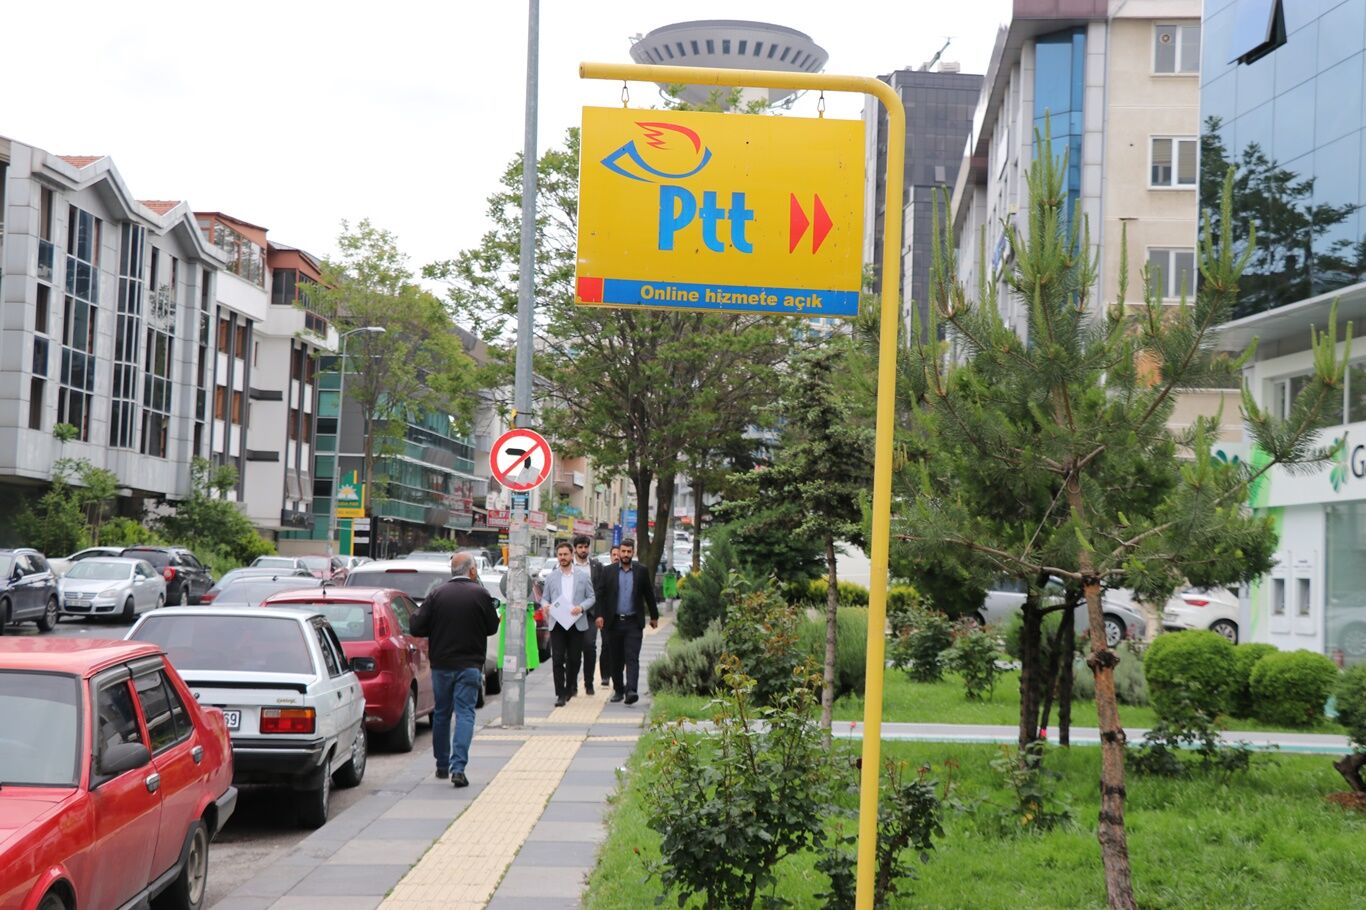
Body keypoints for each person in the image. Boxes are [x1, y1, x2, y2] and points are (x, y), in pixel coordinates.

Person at [411, 551, 500, 787]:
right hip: (470, 666)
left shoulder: (437, 594)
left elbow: (417, 626)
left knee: (441, 713)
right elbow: (492, 627)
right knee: (465, 714)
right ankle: (458, 768)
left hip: (441, 665)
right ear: (472, 570)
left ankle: (442, 764)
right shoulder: (481, 594)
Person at [594, 538, 658, 705]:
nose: (626, 554)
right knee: (615, 658)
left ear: (633, 553)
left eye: (629, 552)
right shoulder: (608, 571)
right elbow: (599, 595)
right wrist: (598, 615)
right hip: (613, 622)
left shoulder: (641, 571)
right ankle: (618, 690)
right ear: (619, 552)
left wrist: (654, 616)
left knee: (632, 657)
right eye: (623, 551)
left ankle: (631, 690)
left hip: (633, 622)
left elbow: (649, 594)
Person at [542, 540, 596, 706]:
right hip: (557, 623)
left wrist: (581, 608)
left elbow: (591, 597)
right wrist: (545, 606)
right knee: (557, 659)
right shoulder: (551, 577)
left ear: (572, 555)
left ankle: (570, 686)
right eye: (560, 555)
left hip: (576, 622)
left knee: (574, 659)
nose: (563, 557)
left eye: (566, 554)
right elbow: (544, 598)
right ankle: (560, 693)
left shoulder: (583, 576)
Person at [572, 535, 603, 694]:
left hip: (591, 614)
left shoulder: (597, 566)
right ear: (575, 549)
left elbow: (601, 592)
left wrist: (600, 615)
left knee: (590, 647)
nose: (583, 550)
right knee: (573, 651)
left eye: (586, 547)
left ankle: (589, 683)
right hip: (571, 615)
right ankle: (572, 685)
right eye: (580, 547)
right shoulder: (568, 565)